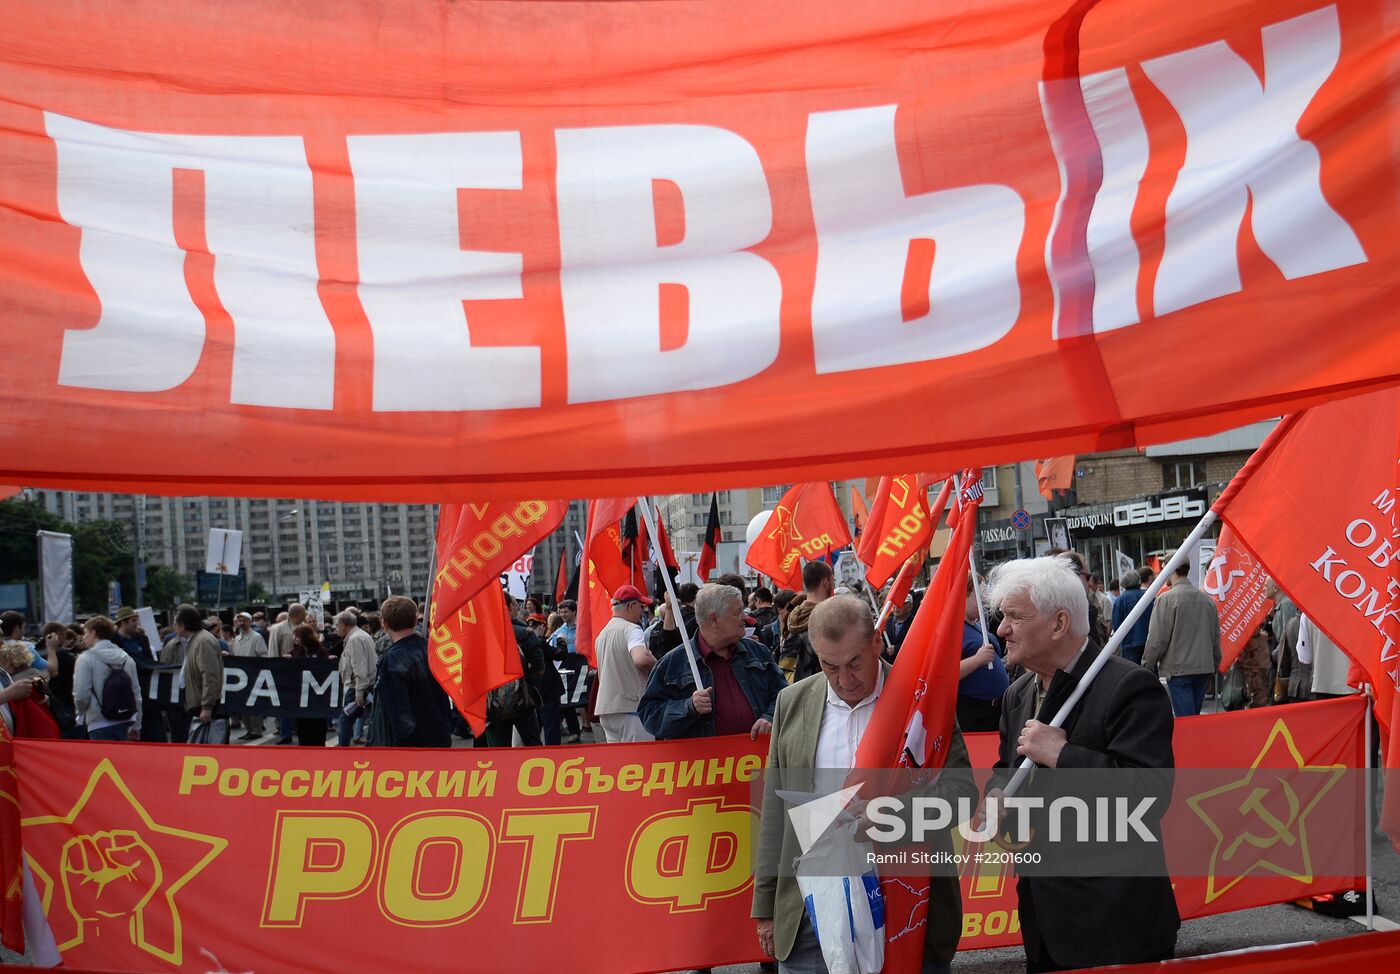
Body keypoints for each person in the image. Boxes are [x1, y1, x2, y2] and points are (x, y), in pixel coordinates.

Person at [753, 595, 975, 973]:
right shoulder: (791, 702)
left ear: (876, 641)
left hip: (906, 903)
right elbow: (776, 814)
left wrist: (887, 815)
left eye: (854, 663)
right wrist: (765, 906)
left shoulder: (921, 702)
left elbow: (962, 793)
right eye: (829, 666)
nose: (844, 679)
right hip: (812, 911)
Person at [982, 556, 1178, 972]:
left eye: (1015, 616)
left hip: (1115, 925)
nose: (1002, 629)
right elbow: (1006, 771)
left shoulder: (1128, 685)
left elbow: (1149, 797)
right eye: (1002, 617)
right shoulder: (1018, 693)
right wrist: (996, 802)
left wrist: (1062, 755)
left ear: (1058, 624)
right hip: (1044, 927)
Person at [638, 583, 786, 741]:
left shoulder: (758, 652)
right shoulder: (673, 664)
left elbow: (783, 695)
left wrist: (770, 717)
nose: (746, 617)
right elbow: (650, 714)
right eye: (737, 612)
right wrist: (689, 707)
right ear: (714, 619)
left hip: (756, 760)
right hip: (703, 763)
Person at [369, 595, 452, 747]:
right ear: (415, 620)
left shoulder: (392, 660)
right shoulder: (432, 650)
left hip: (412, 746)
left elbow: (399, 714)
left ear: (384, 624)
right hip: (438, 735)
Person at [1142, 560, 1222, 716]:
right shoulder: (1207, 600)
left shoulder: (1166, 599)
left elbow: (1157, 639)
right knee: (1194, 718)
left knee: (1186, 721)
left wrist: (1146, 665)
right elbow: (1215, 637)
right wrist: (1214, 664)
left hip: (1179, 669)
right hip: (1203, 666)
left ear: (1171, 570)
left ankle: (1192, 741)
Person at [594, 584, 657, 742]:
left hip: (607, 710)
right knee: (642, 762)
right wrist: (659, 664)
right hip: (631, 708)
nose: (642, 611)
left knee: (621, 764)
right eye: (641, 606)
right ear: (631, 605)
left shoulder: (601, 634)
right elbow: (641, 659)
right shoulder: (632, 629)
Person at [71, 616, 143, 742]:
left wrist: (81, 713)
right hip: (126, 719)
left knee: (105, 762)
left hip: (99, 722)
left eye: (86, 633)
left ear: (93, 633)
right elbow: (136, 692)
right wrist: (137, 724)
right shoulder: (126, 658)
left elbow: (82, 694)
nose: (84, 637)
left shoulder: (85, 659)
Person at [957, 575, 1009, 732]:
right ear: (963, 594)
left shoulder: (974, 623)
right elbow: (942, 674)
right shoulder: (952, 631)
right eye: (979, 594)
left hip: (993, 710)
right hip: (976, 713)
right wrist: (977, 660)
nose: (985, 599)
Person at [173, 604, 225, 742]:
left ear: (183, 625)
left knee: (204, 746)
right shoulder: (196, 640)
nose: (174, 627)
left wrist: (207, 706)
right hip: (196, 703)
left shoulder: (203, 641)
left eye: (175, 623)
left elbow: (210, 675)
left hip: (201, 706)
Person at [777, 562, 834, 683]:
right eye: (832, 580)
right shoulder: (829, 616)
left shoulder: (792, 615)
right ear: (826, 582)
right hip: (820, 686)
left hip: (795, 688)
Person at [335, 610, 377, 746]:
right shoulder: (362, 635)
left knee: (345, 722)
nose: (336, 629)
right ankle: (372, 746)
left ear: (343, 625)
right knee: (374, 719)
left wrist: (359, 693)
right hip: (367, 686)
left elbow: (359, 667)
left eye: (337, 626)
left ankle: (343, 752)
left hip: (358, 687)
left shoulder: (354, 639)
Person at [288, 624, 330, 745]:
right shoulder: (296, 652)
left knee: (318, 729)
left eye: (297, 637)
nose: (294, 639)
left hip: (317, 699)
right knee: (303, 730)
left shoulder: (320, 651)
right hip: (302, 699)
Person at [1111, 571, 1153, 666]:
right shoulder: (1149, 596)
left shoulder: (1120, 600)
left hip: (1128, 644)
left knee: (1132, 673)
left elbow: (1116, 624)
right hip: (1148, 642)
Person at [1236, 622, 1272, 709]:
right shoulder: (1262, 638)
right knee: (1260, 699)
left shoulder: (1245, 639)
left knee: (1255, 700)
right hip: (1260, 673)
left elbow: (1240, 659)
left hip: (1252, 674)